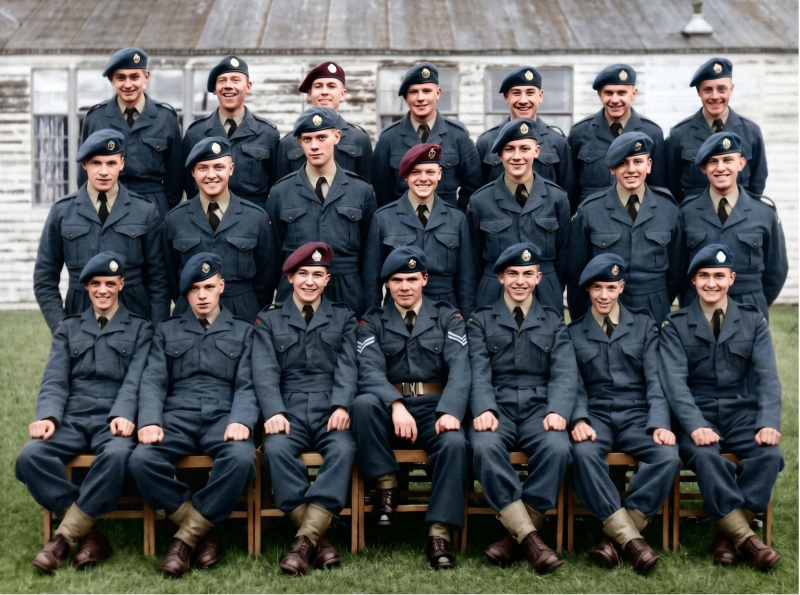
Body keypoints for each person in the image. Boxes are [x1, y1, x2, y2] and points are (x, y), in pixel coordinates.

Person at [16, 252, 152, 574]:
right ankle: (90, 534)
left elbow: (136, 382)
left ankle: (62, 538)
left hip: (113, 417)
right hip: (73, 417)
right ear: (86, 288)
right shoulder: (68, 328)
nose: (102, 290)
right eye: (95, 284)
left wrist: (123, 414)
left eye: (109, 283)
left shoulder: (141, 329)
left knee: (119, 455)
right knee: (29, 457)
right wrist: (49, 417)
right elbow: (54, 379)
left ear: (122, 284)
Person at [129, 253, 259, 578]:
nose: (202, 295)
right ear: (185, 293)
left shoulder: (244, 331)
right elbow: (153, 381)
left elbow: (248, 383)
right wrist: (149, 421)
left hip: (224, 415)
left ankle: (183, 540)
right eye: (194, 289)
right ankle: (202, 530)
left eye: (209, 287)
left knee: (243, 459)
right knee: (141, 460)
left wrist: (242, 419)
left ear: (221, 287)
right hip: (178, 415)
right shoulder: (167, 331)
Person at [659, 244, 783, 570]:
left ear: (731, 279)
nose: (711, 283)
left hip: (742, 414)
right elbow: (675, 385)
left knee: (768, 455)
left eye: (718, 275)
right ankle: (749, 540)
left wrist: (768, 422)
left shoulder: (753, 322)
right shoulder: (676, 325)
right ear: (693, 281)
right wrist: (696, 425)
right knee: (703, 455)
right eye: (704, 276)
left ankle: (729, 535)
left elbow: (768, 378)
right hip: (696, 416)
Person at [350, 246, 470, 569]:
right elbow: (369, 371)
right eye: (397, 280)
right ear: (387, 284)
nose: (405, 286)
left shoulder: (448, 317)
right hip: (391, 413)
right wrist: (395, 403)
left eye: (412, 279)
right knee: (362, 405)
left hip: (434, 409)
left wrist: (450, 411)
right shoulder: (372, 321)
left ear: (425, 280)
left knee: (456, 443)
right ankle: (385, 489)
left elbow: (461, 368)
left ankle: (438, 534)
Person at [568, 253, 679, 575]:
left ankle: (616, 537)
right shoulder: (573, 332)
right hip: (596, 415)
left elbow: (657, 380)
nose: (604, 295)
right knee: (583, 453)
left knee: (667, 456)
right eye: (597, 288)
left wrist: (659, 422)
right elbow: (571, 384)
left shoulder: (643, 324)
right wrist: (579, 419)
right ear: (588, 290)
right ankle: (633, 539)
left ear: (622, 288)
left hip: (637, 415)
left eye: (611, 287)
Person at [467, 243, 575, 573]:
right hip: (496, 408)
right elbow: (477, 370)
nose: (520, 281)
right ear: (500, 277)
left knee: (558, 449)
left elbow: (564, 371)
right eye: (512, 273)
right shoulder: (481, 321)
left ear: (539, 277)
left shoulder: (554, 321)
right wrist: (483, 407)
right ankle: (530, 537)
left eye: (528, 274)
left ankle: (514, 537)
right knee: (484, 449)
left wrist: (557, 409)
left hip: (538, 409)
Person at [253, 242, 358, 575]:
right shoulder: (268, 320)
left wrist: (342, 404)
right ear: (289, 278)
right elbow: (264, 371)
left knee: (343, 450)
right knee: (276, 451)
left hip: (331, 408)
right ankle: (318, 540)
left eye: (317, 274)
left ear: (328, 280)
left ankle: (302, 543)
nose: (310, 281)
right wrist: (274, 412)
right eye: (303, 275)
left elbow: (348, 366)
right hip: (289, 409)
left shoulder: (343, 316)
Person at [34, 129, 170, 333]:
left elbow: (159, 279)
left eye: (111, 163)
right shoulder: (62, 212)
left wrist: (155, 331)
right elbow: (44, 279)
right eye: (96, 163)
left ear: (122, 164)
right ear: (85, 165)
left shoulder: (145, 210)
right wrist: (61, 328)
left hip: (134, 321)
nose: (104, 171)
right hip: (80, 320)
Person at [266, 107, 377, 316]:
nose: (315, 146)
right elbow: (272, 254)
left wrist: (370, 308)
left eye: (321, 137)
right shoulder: (281, 192)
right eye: (307, 139)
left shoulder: (361, 190)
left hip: (347, 292)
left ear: (336, 137)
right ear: (299, 142)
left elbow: (369, 257)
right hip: (296, 293)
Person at [567, 132, 681, 324]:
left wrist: (660, 301)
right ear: (612, 168)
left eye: (638, 162)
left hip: (653, 308)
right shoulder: (591, 209)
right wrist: (582, 318)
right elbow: (575, 271)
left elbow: (676, 270)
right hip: (604, 308)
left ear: (649, 165)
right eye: (622, 163)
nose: (631, 170)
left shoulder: (668, 208)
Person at [677, 132, 787, 320]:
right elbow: (677, 271)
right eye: (713, 162)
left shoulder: (764, 213)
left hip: (749, 308)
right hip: (698, 309)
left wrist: (756, 300)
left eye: (728, 160)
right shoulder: (686, 213)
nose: (721, 168)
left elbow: (776, 271)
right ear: (703, 167)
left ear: (741, 163)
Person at [164, 136, 275, 321]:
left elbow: (267, 276)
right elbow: (170, 274)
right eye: (203, 168)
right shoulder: (175, 219)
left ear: (230, 169)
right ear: (192, 172)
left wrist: (250, 305)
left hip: (242, 312)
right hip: (191, 313)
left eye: (218, 167)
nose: (211, 175)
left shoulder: (256, 217)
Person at [468, 118, 570, 315]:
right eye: (509, 149)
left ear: (536, 152)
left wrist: (553, 286)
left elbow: (564, 256)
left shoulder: (557, 198)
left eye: (524, 148)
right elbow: (473, 259)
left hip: (545, 293)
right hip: (494, 293)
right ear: (499, 154)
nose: (517, 156)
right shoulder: (480, 201)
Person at [362, 143, 475, 314]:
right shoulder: (383, 218)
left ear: (439, 174)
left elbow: (466, 278)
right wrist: (371, 318)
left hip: (445, 310)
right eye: (416, 172)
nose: (423, 178)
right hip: (397, 309)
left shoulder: (457, 219)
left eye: (430, 172)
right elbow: (372, 279)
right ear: (405, 175)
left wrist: (466, 320)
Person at [79, 47, 183, 219]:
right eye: (121, 78)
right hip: (108, 204)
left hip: (153, 204)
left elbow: (176, 177)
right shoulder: (96, 117)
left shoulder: (166, 117)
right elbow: (83, 174)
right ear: (111, 79)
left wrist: (163, 207)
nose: (128, 85)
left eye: (135, 77)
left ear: (146, 77)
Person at [372, 63, 481, 210]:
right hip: (401, 224)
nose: (420, 98)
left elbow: (473, 186)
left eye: (427, 91)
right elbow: (382, 191)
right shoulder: (388, 138)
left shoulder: (458, 135)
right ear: (405, 97)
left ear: (438, 93)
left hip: (448, 225)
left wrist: (457, 218)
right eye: (413, 92)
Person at [182, 55, 280, 208]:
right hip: (207, 218)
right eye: (222, 81)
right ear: (214, 89)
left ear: (248, 87)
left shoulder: (268, 133)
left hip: (253, 220)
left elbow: (277, 185)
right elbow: (187, 184)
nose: (228, 86)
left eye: (235, 80)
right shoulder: (195, 133)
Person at [665, 58, 768, 203]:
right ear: (698, 91)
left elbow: (758, 183)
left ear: (731, 89)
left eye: (721, 89)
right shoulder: (679, 134)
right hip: (694, 219)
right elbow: (671, 185)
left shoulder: (751, 132)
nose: (715, 96)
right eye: (708, 89)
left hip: (739, 217)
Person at [476, 66, 577, 210]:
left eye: (530, 93)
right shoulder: (486, 142)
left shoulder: (557, 142)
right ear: (506, 97)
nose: (523, 100)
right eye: (516, 93)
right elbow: (476, 194)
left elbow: (569, 194)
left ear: (540, 96)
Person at [568, 64, 666, 205]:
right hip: (593, 215)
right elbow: (571, 185)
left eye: (621, 93)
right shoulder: (580, 132)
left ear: (633, 94)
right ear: (599, 95)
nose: (614, 100)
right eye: (608, 93)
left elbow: (659, 185)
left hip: (637, 214)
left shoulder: (652, 132)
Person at [276, 61, 373, 180]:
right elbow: (282, 189)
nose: (324, 92)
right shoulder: (289, 142)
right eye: (318, 86)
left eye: (331, 86)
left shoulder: (359, 138)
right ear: (310, 94)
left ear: (342, 94)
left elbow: (367, 186)